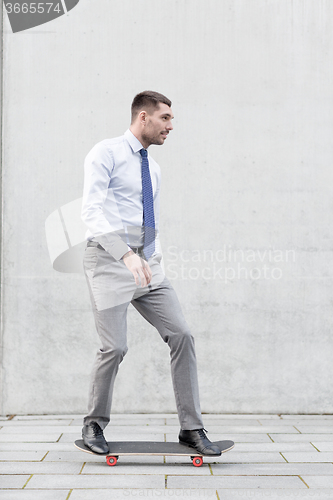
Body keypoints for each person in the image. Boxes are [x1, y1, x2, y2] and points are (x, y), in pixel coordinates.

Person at [81, 90, 220, 456]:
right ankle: (94, 423)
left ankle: (191, 428)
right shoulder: (106, 153)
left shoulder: (153, 167)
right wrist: (126, 255)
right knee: (115, 346)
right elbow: (91, 213)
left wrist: (152, 259)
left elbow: (149, 220)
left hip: (147, 265)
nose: (170, 126)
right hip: (110, 261)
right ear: (143, 117)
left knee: (182, 335)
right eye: (165, 118)